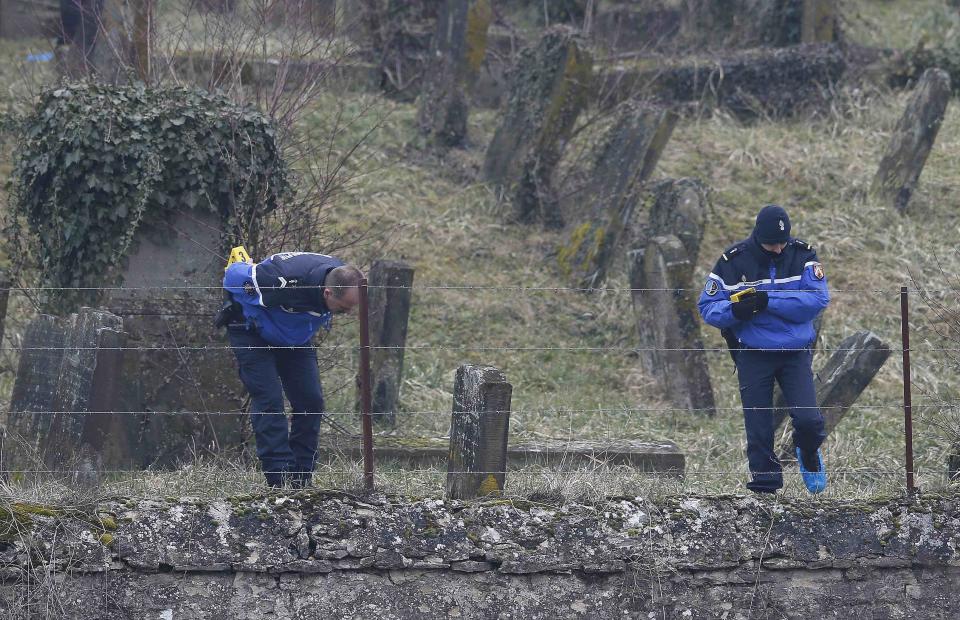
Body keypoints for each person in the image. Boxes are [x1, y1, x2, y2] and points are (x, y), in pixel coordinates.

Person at [697, 205, 830, 495]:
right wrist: (737, 310)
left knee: (809, 420)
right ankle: (765, 486)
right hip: (753, 352)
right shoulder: (733, 261)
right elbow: (707, 307)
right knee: (758, 426)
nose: (779, 248)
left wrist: (767, 301)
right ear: (758, 237)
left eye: (783, 242)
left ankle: (808, 453)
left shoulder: (804, 255)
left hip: (795, 353)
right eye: (772, 243)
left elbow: (817, 300)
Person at [217, 251, 363, 488]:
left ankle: (301, 480)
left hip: (294, 337)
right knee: (269, 399)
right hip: (250, 330)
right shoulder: (280, 279)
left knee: (311, 402)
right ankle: (280, 481)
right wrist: (246, 275)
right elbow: (233, 276)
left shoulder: (339, 275)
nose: (347, 314)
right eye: (344, 308)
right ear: (327, 293)